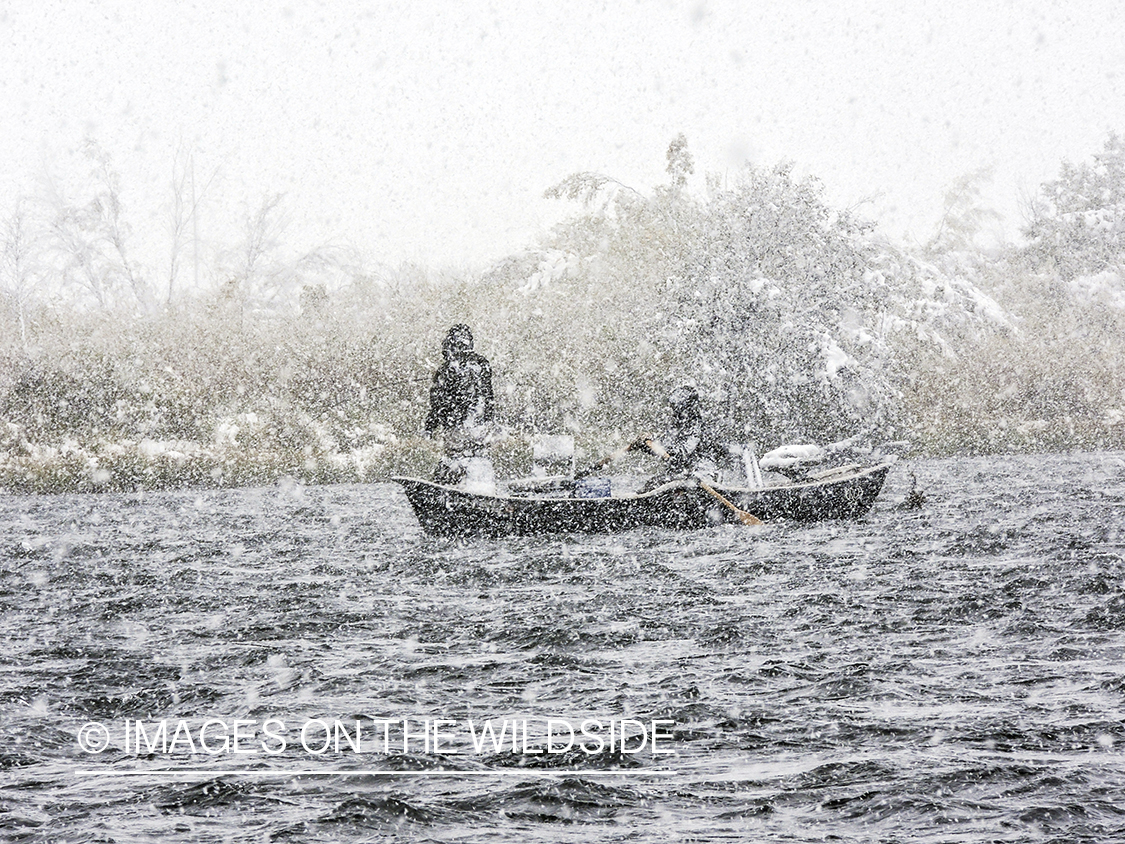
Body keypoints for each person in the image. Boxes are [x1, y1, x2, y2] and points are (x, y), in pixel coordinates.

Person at [424, 324, 495, 485]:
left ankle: (442, 491)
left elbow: (437, 403)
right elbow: (489, 397)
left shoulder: (446, 369)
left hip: (456, 427)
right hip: (482, 426)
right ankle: (481, 490)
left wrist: (430, 426)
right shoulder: (483, 364)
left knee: (452, 461)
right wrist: (489, 420)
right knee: (479, 458)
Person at [636, 386, 728, 489]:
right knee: (651, 485)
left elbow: (681, 453)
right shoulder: (677, 425)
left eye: (674, 407)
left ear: (684, 407)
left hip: (701, 474)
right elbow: (665, 444)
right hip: (682, 473)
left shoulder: (697, 427)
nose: (673, 410)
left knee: (689, 490)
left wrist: (656, 445)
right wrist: (647, 442)